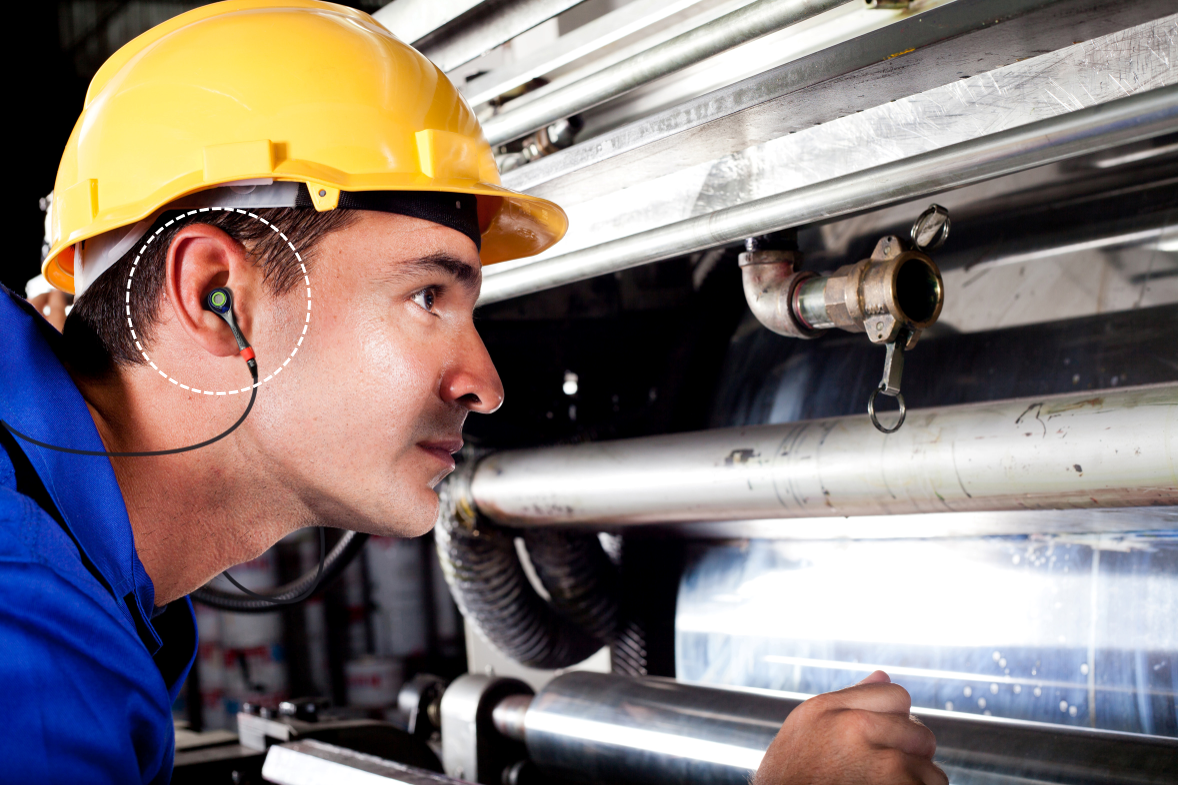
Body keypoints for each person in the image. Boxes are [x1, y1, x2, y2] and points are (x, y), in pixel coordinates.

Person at [0, 2, 944, 783]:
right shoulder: (30, 652)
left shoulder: (79, 574)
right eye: (426, 296)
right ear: (217, 299)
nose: (485, 383)